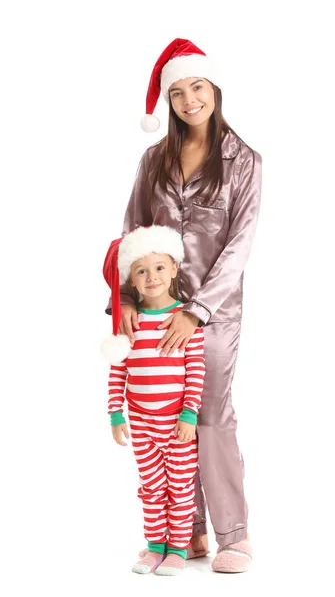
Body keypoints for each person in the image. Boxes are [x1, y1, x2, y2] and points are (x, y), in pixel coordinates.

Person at [106, 37, 262, 573]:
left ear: (213, 88)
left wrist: (194, 310)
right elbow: (131, 232)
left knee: (210, 413)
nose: (189, 100)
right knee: (165, 416)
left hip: (211, 317)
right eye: (176, 92)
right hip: (153, 313)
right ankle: (185, 530)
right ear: (167, 103)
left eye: (197, 87)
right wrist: (125, 298)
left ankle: (233, 535)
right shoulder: (153, 160)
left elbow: (240, 245)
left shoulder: (244, 161)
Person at [102, 225, 205, 576]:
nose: (152, 277)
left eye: (160, 267)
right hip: (142, 422)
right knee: (151, 488)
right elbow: (118, 371)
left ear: (175, 268)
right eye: (142, 271)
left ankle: (178, 548)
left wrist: (189, 415)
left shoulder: (185, 323)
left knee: (179, 487)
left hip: (176, 422)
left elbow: (196, 371)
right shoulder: (129, 323)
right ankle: (154, 546)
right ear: (131, 278)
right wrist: (116, 414)